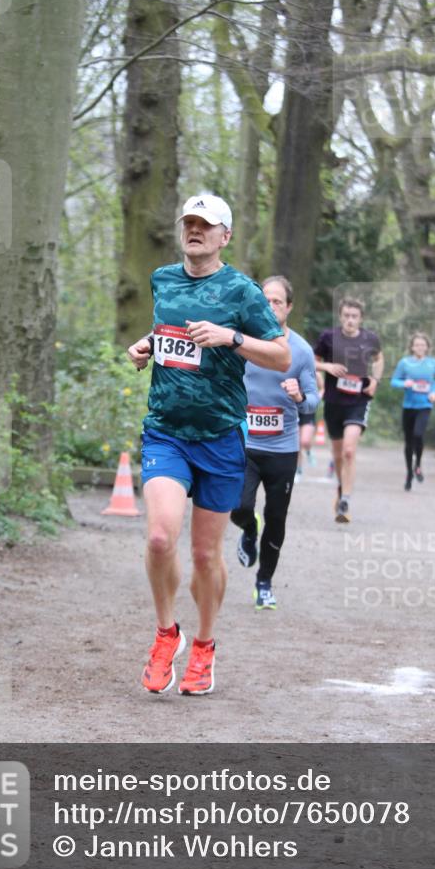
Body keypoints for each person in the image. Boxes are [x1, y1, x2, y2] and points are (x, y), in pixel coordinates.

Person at [127, 194, 290, 696]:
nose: (195, 230)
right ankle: (166, 634)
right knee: (160, 537)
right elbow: (168, 331)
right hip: (167, 431)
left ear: (225, 236)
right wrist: (146, 345)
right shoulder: (162, 279)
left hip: (219, 437)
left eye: (206, 224)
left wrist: (230, 338)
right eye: (189, 222)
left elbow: (281, 356)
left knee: (203, 555)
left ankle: (204, 644)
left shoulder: (242, 291)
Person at [230, 276, 319, 610]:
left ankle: (264, 582)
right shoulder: (242, 342)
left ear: (289, 307)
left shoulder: (301, 351)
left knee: (277, 518)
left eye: (277, 301)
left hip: (282, 450)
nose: (270, 307)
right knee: (238, 507)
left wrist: (299, 397)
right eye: (264, 300)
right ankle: (249, 529)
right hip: (246, 444)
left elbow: (312, 402)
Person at [314, 297, 384, 523]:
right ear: (340, 316)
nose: (350, 320)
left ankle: (345, 499)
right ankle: (341, 487)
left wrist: (375, 380)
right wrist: (327, 367)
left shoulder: (370, 338)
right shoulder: (328, 337)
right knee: (337, 455)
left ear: (361, 318)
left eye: (354, 316)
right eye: (346, 316)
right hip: (334, 402)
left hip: (358, 401)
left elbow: (379, 358)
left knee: (349, 451)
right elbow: (312, 361)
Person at [390, 331, 435, 490]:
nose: (420, 347)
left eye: (422, 345)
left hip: (425, 405)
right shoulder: (405, 363)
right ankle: (409, 474)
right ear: (412, 347)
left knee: (418, 434)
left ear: (427, 347)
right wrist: (404, 384)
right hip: (408, 406)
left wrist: (434, 392)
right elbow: (394, 381)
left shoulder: (433, 363)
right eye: (417, 345)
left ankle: (418, 465)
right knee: (408, 442)